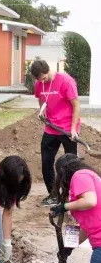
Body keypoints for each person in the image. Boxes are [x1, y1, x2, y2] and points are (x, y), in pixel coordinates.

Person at [50, 153, 101, 263]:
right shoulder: (88, 178)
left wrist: (63, 207)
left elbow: (91, 201)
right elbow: (87, 225)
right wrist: (67, 247)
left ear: (63, 172)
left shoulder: (80, 176)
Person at [31, 59, 80, 207]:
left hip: (67, 128)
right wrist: (42, 110)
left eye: (44, 78)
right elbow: (40, 98)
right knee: (46, 162)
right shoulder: (39, 83)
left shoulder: (66, 81)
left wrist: (73, 129)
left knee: (71, 163)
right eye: (40, 80)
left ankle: (73, 194)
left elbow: (76, 105)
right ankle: (53, 195)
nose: (43, 81)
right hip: (51, 127)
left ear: (47, 70)